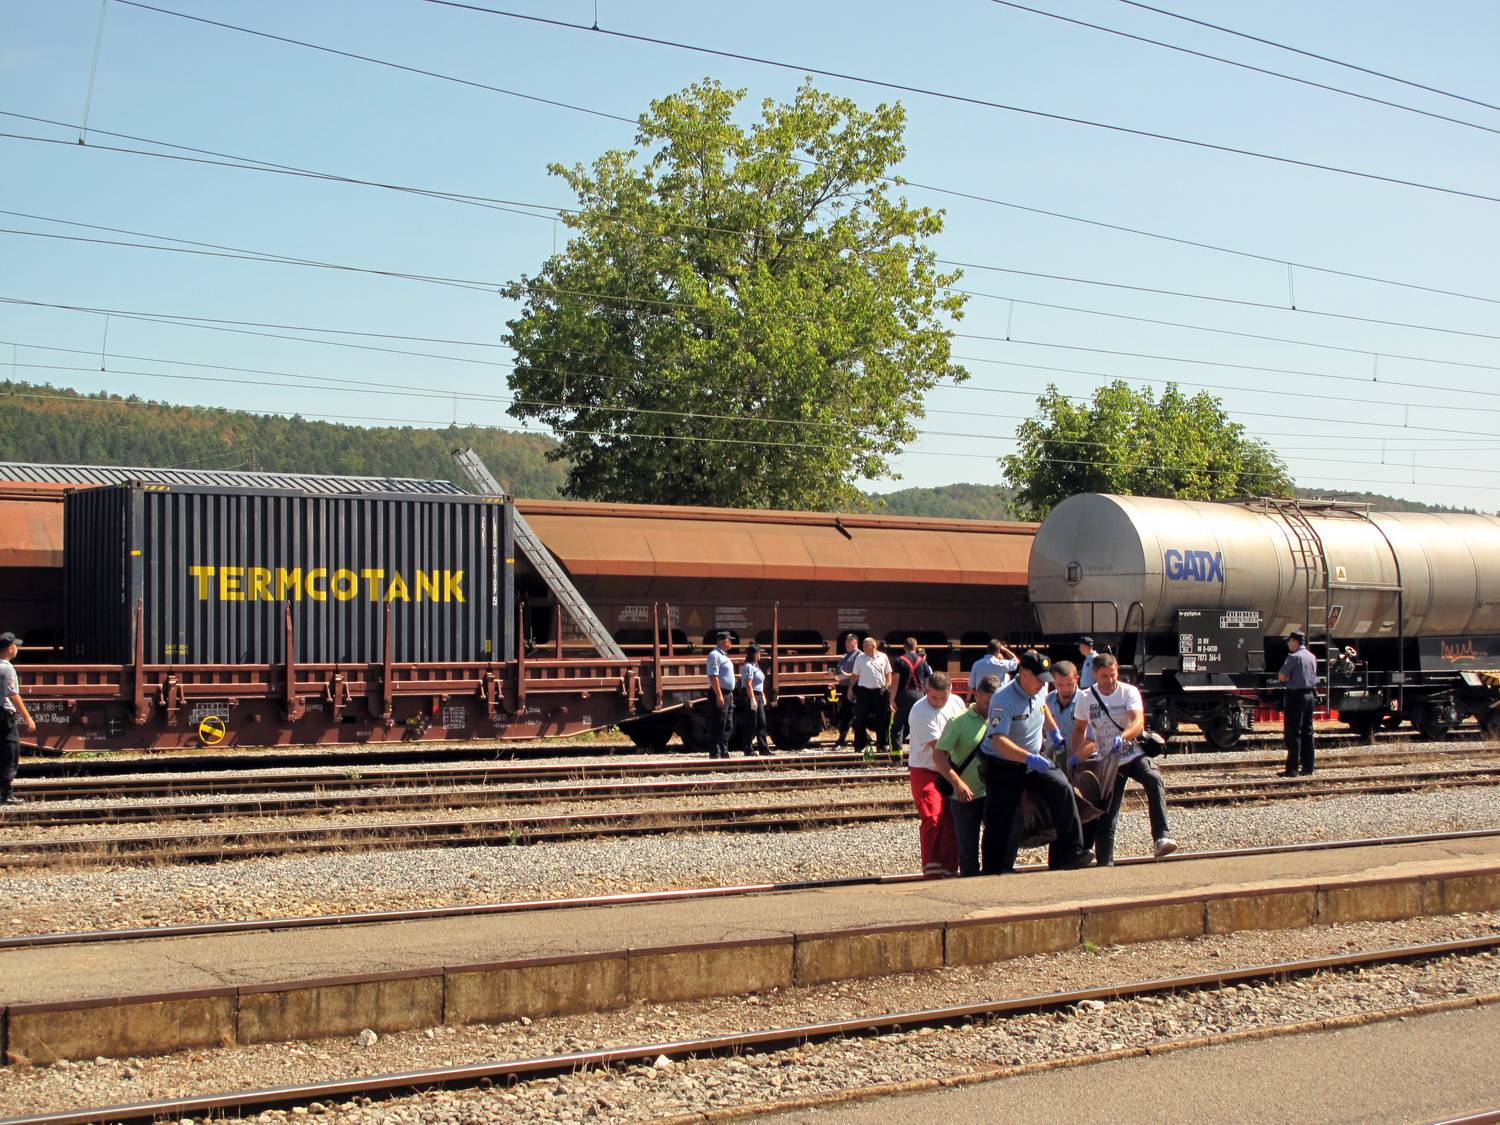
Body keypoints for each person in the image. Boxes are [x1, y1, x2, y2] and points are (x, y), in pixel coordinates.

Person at [979, 650, 1092, 873]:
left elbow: (1043, 708)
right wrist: (1028, 757)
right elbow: (999, 741)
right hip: (1003, 764)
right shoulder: (1002, 699)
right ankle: (992, 870)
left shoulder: (1040, 687)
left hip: (1033, 762)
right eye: (1039, 679)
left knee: (1062, 788)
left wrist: (1054, 732)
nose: (1044, 685)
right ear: (1024, 673)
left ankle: (1072, 851)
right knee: (1001, 818)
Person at [1072, 653, 1176, 865]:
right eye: (1104, 676)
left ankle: (1161, 836)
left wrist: (1122, 737)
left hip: (1133, 753)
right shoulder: (1085, 698)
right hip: (1108, 762)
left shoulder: (1128, 691)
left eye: (1113, 674)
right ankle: (1105, 863)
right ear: (1095, 675)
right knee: (1107, 816)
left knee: (1153, 777)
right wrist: (1075, 756)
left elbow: (1137, 722)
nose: (1109, 680)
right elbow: (1079, 730)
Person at [904, 671, 968, 878]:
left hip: (951, 767)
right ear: (926, 690)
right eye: (934, 697)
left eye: (943, 697)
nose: (939, 702)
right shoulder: (919, 711)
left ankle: (950, 868)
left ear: (950, 691)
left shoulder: (957, 703)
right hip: (926, 770)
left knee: (952, 820)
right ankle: (931, 868)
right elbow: (940, 749)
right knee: (932, 817)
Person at [934, 673, 997, 877]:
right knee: (968, 852)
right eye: (987, 702)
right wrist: (957, 783)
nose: (990, 707)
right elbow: (939, 756)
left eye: (994, 703)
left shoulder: (1000, 718)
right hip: (965, 796)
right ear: (977, 695)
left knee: (995, 847)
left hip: (993, 794)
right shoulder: (959, 721)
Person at [0, 632, 34, 805]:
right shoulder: (6, 668)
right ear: (10, 648)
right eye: (16, 646)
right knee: (10, 753)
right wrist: (28, 717)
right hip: (4, 716)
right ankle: (5, 794)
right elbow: (13, 695)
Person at [1278, 629, 1318, 776]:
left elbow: (1282, 676)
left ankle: (1292, 769)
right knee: (1308, 731)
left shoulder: (1293, 657)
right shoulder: (1311, 656)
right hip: (1309, 696)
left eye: (1289, 641)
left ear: (1295, 642)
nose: (1288, 644)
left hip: (1296, 697)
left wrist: (1290, 678)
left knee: (1294, 733)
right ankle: (1309, 767)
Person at [889, 637, 933, 758]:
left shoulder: (899, 661)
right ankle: (919, 756)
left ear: (904, 647)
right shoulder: (923, 662)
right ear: (915, 646)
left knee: (897, 727)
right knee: (919, 726)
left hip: (903, 696)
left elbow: (895, 681)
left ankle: (896, 757)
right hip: (919, 696)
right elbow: (928, 683)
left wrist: (892, 699)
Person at [850, 636, 892, 760]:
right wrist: (850, 689)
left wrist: (887, 685)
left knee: (882, 719)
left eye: (865, 645)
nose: (863, 647)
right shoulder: (860, 658)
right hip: (864, 692)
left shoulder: (883, 657)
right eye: (863, 645)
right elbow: (854, 675)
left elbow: (888, 673)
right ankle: (859, 745)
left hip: (880, 692)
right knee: (860, 719)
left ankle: (882, 744)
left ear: (873, 646)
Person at [705, 631, 736, 760]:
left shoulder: (724, 656)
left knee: (728, 724)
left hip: (728, 693)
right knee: (719, 723)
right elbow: (713, 676)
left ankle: (724, 750)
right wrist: (719, 695)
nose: (731, 643)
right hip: (720, 693)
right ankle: (715, 752)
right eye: (730, 640)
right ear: (723, 641)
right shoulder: (714, 655)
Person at [739, 643, 771, 756]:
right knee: (751, 723)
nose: (760, 655)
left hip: (758, 695)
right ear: (754, 654)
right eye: (759, 653)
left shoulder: (755, 665)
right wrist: (752, 699)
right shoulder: (748, 666)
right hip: (751, 695)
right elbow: (748, 684)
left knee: (761, 722)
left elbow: (759, 682)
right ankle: (748, 749)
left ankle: (764, 749)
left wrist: (762, 695)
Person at [830, 633, 860, 747]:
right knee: (847, 714)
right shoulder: (845, 656)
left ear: (855, 643)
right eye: (846, 641)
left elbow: (859, 672)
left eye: (850, 641)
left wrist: (847, 676)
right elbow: (839, 670)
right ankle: (864, 738)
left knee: (848, 714)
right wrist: (834, 672)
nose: (847, 644)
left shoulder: (859, 656)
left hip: (853, 688)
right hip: (844, 687)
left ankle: (841, 741)